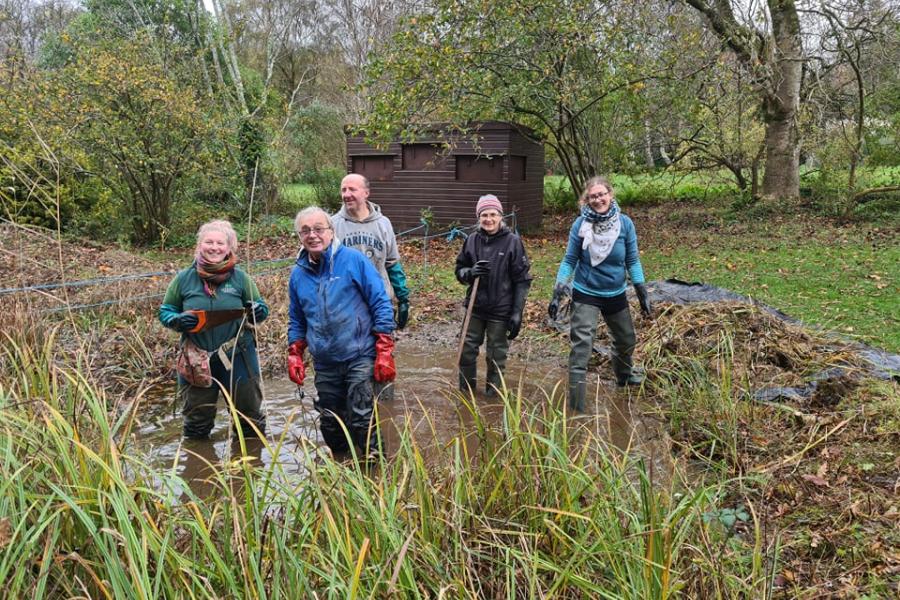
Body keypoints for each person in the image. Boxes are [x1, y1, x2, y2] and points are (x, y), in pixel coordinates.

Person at [287, 206, 396, 457]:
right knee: (331, 422)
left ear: (331, 231)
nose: (312, 235)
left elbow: (380, 301)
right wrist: (295, 351)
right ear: (299, 237)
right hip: (325, 360)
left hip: (359, 354)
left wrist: (385, 349)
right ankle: (342, 470)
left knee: (361, 417)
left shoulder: (354, 260)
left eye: (318, 229)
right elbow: (297, 317)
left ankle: (375, 474)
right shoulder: (298, 274)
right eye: (305, 231)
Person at [548, 176, 652, 412]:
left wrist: (641, 290)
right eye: (593, 196)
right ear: (587, 199)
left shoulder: (624, 224)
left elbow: (632, 260)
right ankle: (576, 407)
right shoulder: (580, 225)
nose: (598, 200)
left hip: (615, 292)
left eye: (602, 194)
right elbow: (569, 260)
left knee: (626, 339)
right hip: (586, 292)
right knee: (581, 348)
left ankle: (624, 376)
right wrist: (558, 291)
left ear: (610, 195)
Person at [159, 219, 268, 439]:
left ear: (229, 248)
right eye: (209, 242)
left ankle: (251, 469)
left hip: (238, 355)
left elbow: (263, 309)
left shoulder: (241, 279)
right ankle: (197, 469)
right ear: (199, 245)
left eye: (220, 243)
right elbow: (166, 310)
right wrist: (176, 320)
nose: (214, 247)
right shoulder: (183, 279)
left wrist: (257, 310)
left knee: (249, 420)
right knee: (196, 422)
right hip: (196, 358)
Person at [455, 194, 532, 397]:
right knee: (467, 350)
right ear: (478, 217)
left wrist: (517, 312)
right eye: (484, 215)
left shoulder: (513, 242)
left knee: (496, 356)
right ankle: (466, 394)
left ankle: (493, 398)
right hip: (475, 308)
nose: (488, 219)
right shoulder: (471, 240)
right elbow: (459, 270)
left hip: (501, 309)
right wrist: (470, 273)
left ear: (500, 216)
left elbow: (522, 279)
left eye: (493, 214)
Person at [332, 173, 410, 331]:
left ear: (366, 193)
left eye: (352, 189)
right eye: (343, 190)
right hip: (346, 303)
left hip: (380, 300)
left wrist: (403, 298)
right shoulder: (332, 225)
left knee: (382, 349)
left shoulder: (383, 224)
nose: (346, 195)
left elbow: (392, 263)